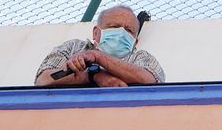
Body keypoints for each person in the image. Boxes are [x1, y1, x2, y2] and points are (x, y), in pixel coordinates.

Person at [35, 5, 165, 87]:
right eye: (114, 27)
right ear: (96, 32)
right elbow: (43, 80)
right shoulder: (73, 47)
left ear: (135, 42)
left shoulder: (142, 58)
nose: (121, 33)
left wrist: (97, 56)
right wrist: (93, 76)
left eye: (129, 30)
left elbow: (150, 80)